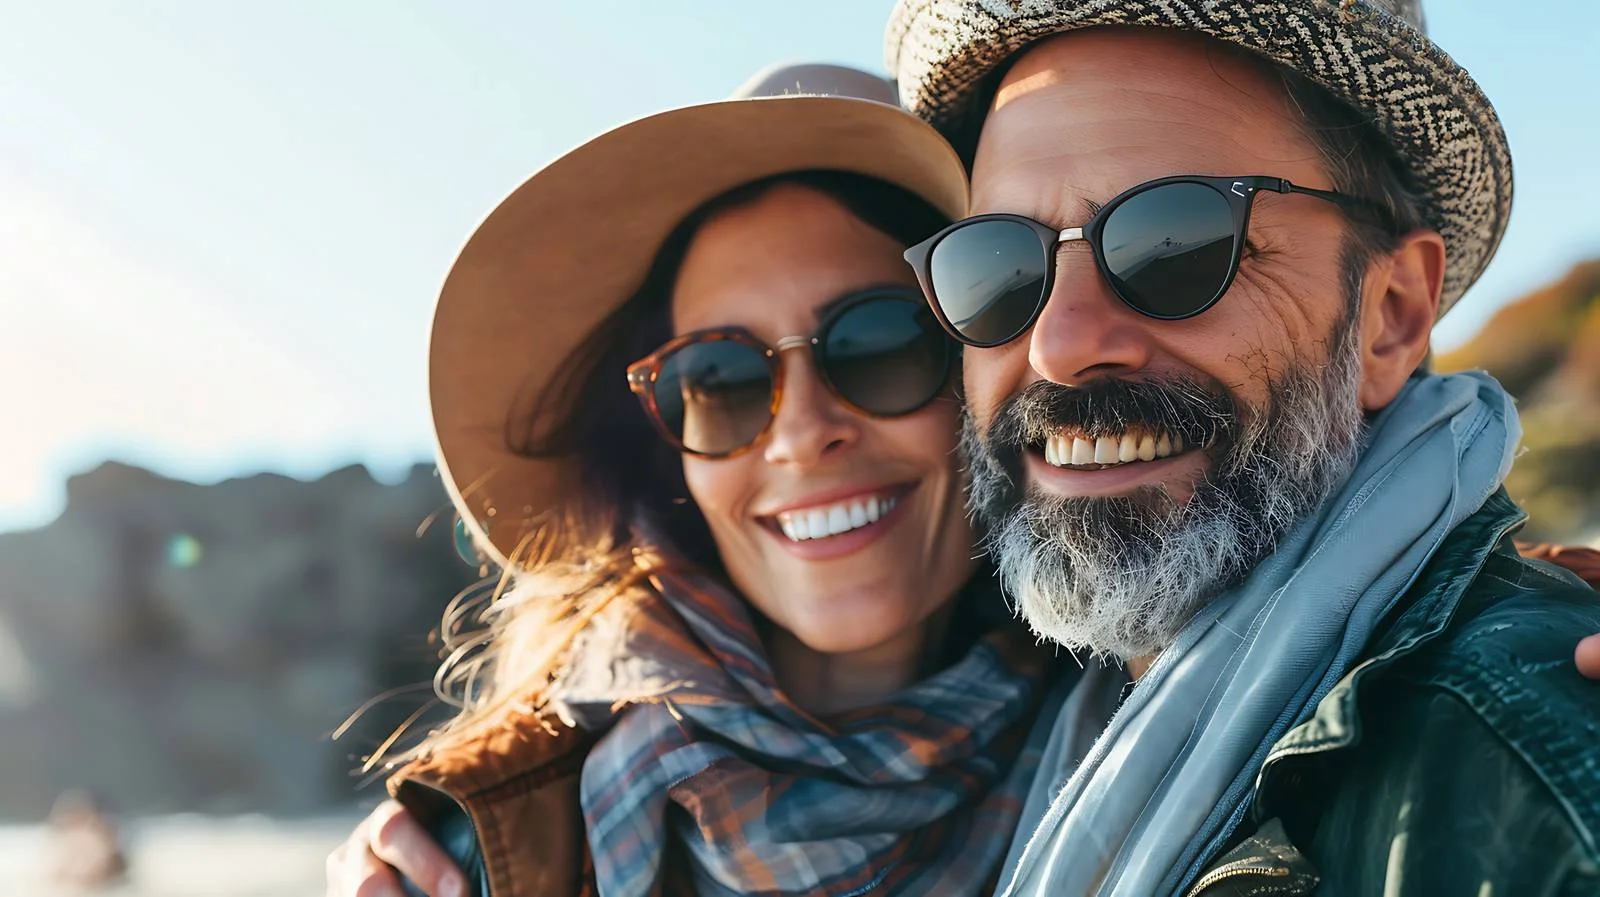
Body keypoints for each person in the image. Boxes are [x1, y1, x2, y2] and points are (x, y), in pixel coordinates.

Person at [883, 0, 1600, 893]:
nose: (1059, 345)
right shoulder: (1038, 730)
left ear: (1391, 315)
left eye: (1171, 243)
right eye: (995, 267)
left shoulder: (1536, 762)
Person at [327, 63, 1075, 897]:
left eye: (883, 343)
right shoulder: (479, 852)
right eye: (719, 381)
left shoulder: (1175, 750)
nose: (799, 434)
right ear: (664, 450)